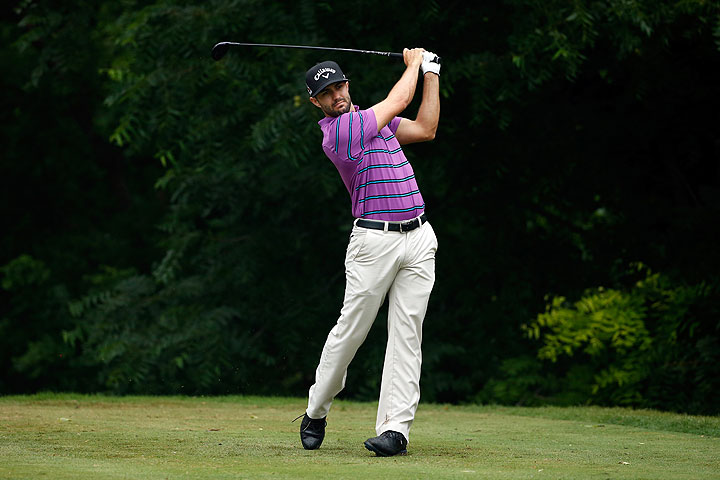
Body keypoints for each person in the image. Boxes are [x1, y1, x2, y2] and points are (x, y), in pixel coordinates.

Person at [298, 47, 441, 457]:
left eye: (339, 85)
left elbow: (427, 128)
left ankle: (396, 430)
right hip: (373, 242)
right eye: (325, 92)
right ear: (316, 102)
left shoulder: (377, 121)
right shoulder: (339, 132)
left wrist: (430, 73)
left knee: (408, 334)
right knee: (351, 333)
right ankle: (316, 409)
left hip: (417, 236)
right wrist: (413, 63)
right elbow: (397, 99)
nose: (335, 95)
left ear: (348, 84)